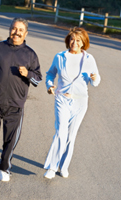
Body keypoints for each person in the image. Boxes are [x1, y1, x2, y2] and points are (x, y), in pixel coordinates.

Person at [0, 18, 42, 182]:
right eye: (14, 28)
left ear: (25, 33)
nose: (16, 32)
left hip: (15, 104)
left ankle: (4, 168)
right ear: (10, 29)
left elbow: (38, 79)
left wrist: (27, 74)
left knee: (10, 140)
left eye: (20, 30)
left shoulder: (30, 54)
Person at [43, 27, 101, 179]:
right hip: (62, 98)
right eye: (72, 39)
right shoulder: (60, 56)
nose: (74, 42)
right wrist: (49, 86)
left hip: (80, 102)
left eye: (78, 40)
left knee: (70, 136)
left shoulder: (89, 59)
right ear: (68, 40)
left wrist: (95, 78)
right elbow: (50, 73)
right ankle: (51, 167)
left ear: (83, 43)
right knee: (61, 131)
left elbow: (96, 81)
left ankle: (64, 166)